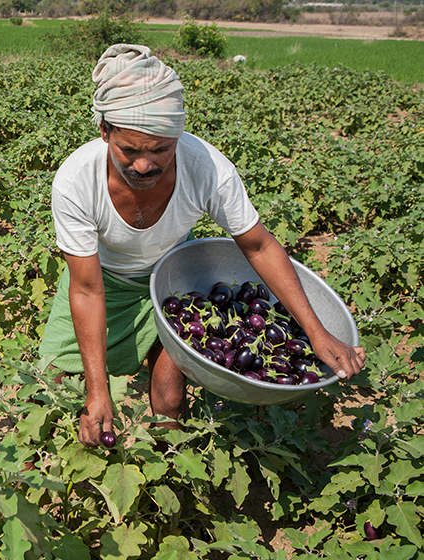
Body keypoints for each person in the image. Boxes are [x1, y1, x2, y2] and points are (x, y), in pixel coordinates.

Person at [38, 44, 365, 447]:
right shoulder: (76, 182)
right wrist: (98, 387)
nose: (145, 165)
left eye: (160, 148)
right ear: (105, 131)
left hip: (172, 280)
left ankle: (168, 473)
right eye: (130, 150)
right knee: (54, 385)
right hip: (102, 281)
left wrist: (317, 332)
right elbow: (87, 288)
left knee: (170, 398)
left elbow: (259, 246)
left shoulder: (205, 167)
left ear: (178, 134)